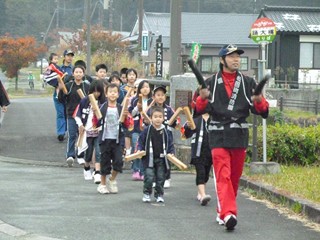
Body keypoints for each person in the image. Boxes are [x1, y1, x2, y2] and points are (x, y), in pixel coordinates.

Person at [195, 44, 269, 230]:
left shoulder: (248, 82)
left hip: (239, 134)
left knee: (234, 177)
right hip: (218, 134)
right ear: (222, 60)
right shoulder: (209, 83)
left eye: (238, 56)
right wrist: (202, 98)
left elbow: (263, 110)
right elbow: (197, 109)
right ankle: (229, 214)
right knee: (223, 175)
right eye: (231, 56)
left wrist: (260, 102)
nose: (236, 59)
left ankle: (224, 210)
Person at [96, 83, 130, 194]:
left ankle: (112, 179)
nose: (112, 94)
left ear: (118, 94)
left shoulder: (121, 108)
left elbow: (127, 124)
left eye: (115, 92)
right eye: (110, 92)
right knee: (104, 162)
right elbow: (96, 121)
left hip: (117, 139)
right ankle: (102, 184)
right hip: (105, 138)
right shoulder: (102, 107)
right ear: (106, 94)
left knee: (118, 161)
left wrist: (126, 117)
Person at [136, 106, 175, 203]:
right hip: (149, 158)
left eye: (160, 117)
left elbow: (170, 143)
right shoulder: (147, 130)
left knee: (161, 177)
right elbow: (141, 141)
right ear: (151, 118)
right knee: (149, 176)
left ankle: (159, 195)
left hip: (161, 158)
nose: (158, 119)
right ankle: (147, 193)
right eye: (155, 116)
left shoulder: (165, 131)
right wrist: (139, 149)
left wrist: (171, 152)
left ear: (163, 118)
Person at [146, 85, 179, 189]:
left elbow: (175, 122)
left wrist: (176, 123)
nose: (160, 97)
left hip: (166, 136)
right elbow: (145, 121)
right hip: (154, 136)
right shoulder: (151, 109)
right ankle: (156, 178)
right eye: (158, 95)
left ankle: (167, 178)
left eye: (162, 95)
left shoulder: (169, 109)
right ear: (154, 97)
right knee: (155, 157)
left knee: (167, 156)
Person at [58, 65, 90, 167]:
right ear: (73, 73)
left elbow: (90, 100)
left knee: (82, 135)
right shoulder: (68, 85)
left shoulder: (87, 86)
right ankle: (70, 156)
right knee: (72, 135)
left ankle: (81, 155)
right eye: (76, 72)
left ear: (83, 74)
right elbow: (61, 99)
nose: (78, 74)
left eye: (80, 72)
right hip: (71, 114)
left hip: (84, 115)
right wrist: (62, 92)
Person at [75, 80, 106, 184]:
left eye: (98, 91)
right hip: (87, 131)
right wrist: (80, 125)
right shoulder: (84, 101)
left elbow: (105, 118)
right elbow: (77, 114)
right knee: (88, 153)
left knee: (98, 152)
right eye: (94, 91)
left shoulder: (103, 103)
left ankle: (97, 172)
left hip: (98, 131)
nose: (96, 94)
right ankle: (87, 168)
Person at [183, 112, 212, 206]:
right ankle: (203, 195)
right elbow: (187, 134)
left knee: (206, 175)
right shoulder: (194, 118)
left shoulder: (215, 118)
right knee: (201, 172)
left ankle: (200, 191)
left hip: (210, 151)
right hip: (198, 151)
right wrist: (187, 126)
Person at [128, 80, 152, 180]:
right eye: (143, 87)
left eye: (147, 87)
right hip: (136, 127)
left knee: (144, 150)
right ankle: (135, 169)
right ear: (139, 89)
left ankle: (143, 171)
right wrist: (137, 108)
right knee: (136, 147)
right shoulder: (135, 100)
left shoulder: (152, 101)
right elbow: (131, 114)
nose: (145, 89)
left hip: (148, 128)